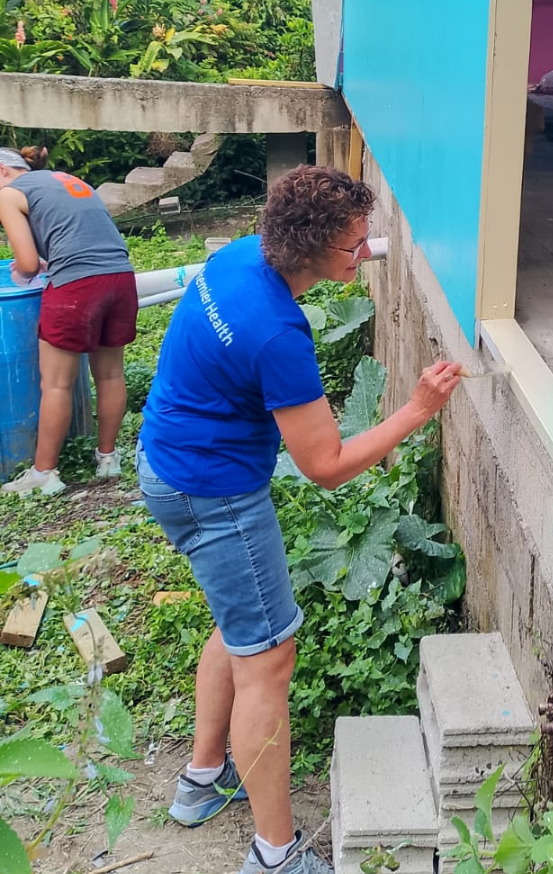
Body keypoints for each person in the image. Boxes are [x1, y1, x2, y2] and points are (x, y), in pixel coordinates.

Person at [136, 165, 462, 874]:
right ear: (310, 247)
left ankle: (201, 780)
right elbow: (326, 465)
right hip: (214, 492)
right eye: (353, 245)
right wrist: (416, 410)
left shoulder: (239, 258)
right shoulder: (277, 334)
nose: (364, 253)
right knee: (269, 657)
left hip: (167, 461)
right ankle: (275, 856)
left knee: (240, 626)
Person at [0, 145, 138, 497]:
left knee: (57, 384)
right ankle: (108, 458)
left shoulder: (8, 194)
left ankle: (44, 473)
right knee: (110, 374)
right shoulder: (65, 179)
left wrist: (22, 270)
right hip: (120, 277)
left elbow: (27, 265)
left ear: (2, 171)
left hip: (77, 286)